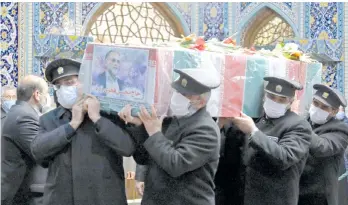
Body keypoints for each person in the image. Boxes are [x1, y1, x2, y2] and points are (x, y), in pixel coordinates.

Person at [30, 58, 136, 205]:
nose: (64, 89)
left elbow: (127, 148)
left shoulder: (109, 115)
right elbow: (38, 152)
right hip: (62, 198)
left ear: (86, 82)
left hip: (102, 198)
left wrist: (97, 118)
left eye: (69, 83)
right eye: (58, 86)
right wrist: (72, 125)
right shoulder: (49, 119)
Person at [119, 68, 221, 205]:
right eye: (177, 92)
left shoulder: (206, 129)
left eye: (185, 95)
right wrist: (139, 126)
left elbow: (175, 164)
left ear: (201, 101)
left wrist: (154, 132)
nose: (178, 96)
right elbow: (144, 157)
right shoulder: (170, 120)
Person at [222, 76, 312, 205]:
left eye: (282, 100)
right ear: (264, 96)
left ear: (290, 102)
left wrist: (254, 131)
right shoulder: (256, 119)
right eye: (272, 97)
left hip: (273, 199)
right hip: (245, 196)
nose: (275, 102)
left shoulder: (298, 126)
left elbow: (285, 157)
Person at [1, 75, 49, 205]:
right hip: (20, 194)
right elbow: (41, 152)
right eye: (46, 94)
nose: (47, 98)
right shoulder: (24, 116)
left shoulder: (19, 111)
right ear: (37, 94)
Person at [299, 84, 348, 205]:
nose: (317, 109)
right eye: (315, 103)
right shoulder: (306, 121)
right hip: (298, 191)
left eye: (324, 107)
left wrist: (298, 123)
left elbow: (321, 147)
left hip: (319, 196)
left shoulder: (340, 129)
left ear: (334, 111)